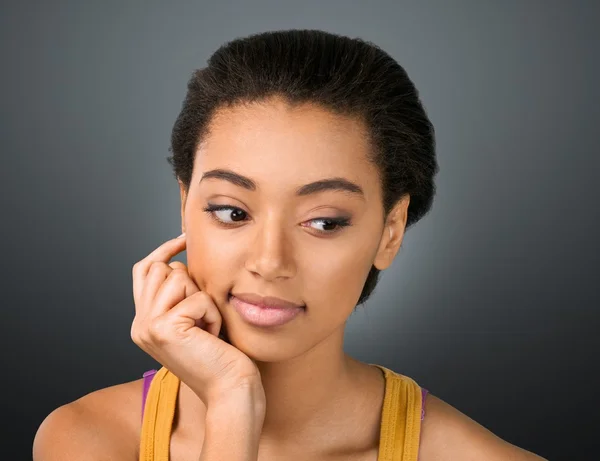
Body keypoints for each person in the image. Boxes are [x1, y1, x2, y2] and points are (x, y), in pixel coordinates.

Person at [33, 29, 547, 461]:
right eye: (232, 212)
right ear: (185, 205)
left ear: (390, 232)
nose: (270, 262)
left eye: (323, 222)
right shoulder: (88, 439)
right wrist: (232, 402)